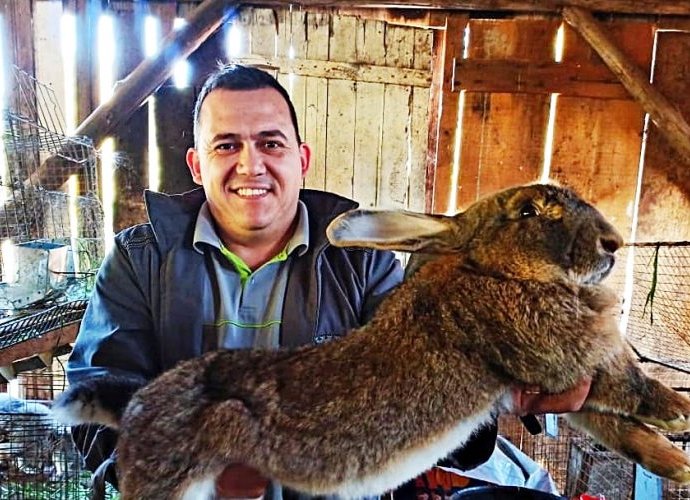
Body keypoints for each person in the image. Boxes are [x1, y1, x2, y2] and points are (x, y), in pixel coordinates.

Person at [66, 63, 591, 499]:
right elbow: (97, 402)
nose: (251, 165)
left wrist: (505, 397)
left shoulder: (364, 262)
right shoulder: (140, 259)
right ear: (196, 165)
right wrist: (192, 477)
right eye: (226, 146)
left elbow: (427, 398)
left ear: (302, 159)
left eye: (271, 143)